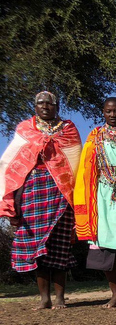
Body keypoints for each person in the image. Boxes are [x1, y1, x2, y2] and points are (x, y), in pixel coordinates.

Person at [0, 91, 81, 309]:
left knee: (59, 245)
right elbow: (13, 163)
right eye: (40, 103)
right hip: (32, 192)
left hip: (62, 192)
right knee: (38, 245)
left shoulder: (68, 129)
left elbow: (75, 159)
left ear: (57, 107)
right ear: (35, 106)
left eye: (50, 103)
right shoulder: (26, 129)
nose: (45, 106)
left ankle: (60, 298)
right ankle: (44, 298)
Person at [74, 97, 116, 308]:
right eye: (108, 111)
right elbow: (86, 168)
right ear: (103, 112)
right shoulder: (95, 136)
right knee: (105, 245)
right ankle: (115, 294)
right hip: (102, 195)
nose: (113, 115)